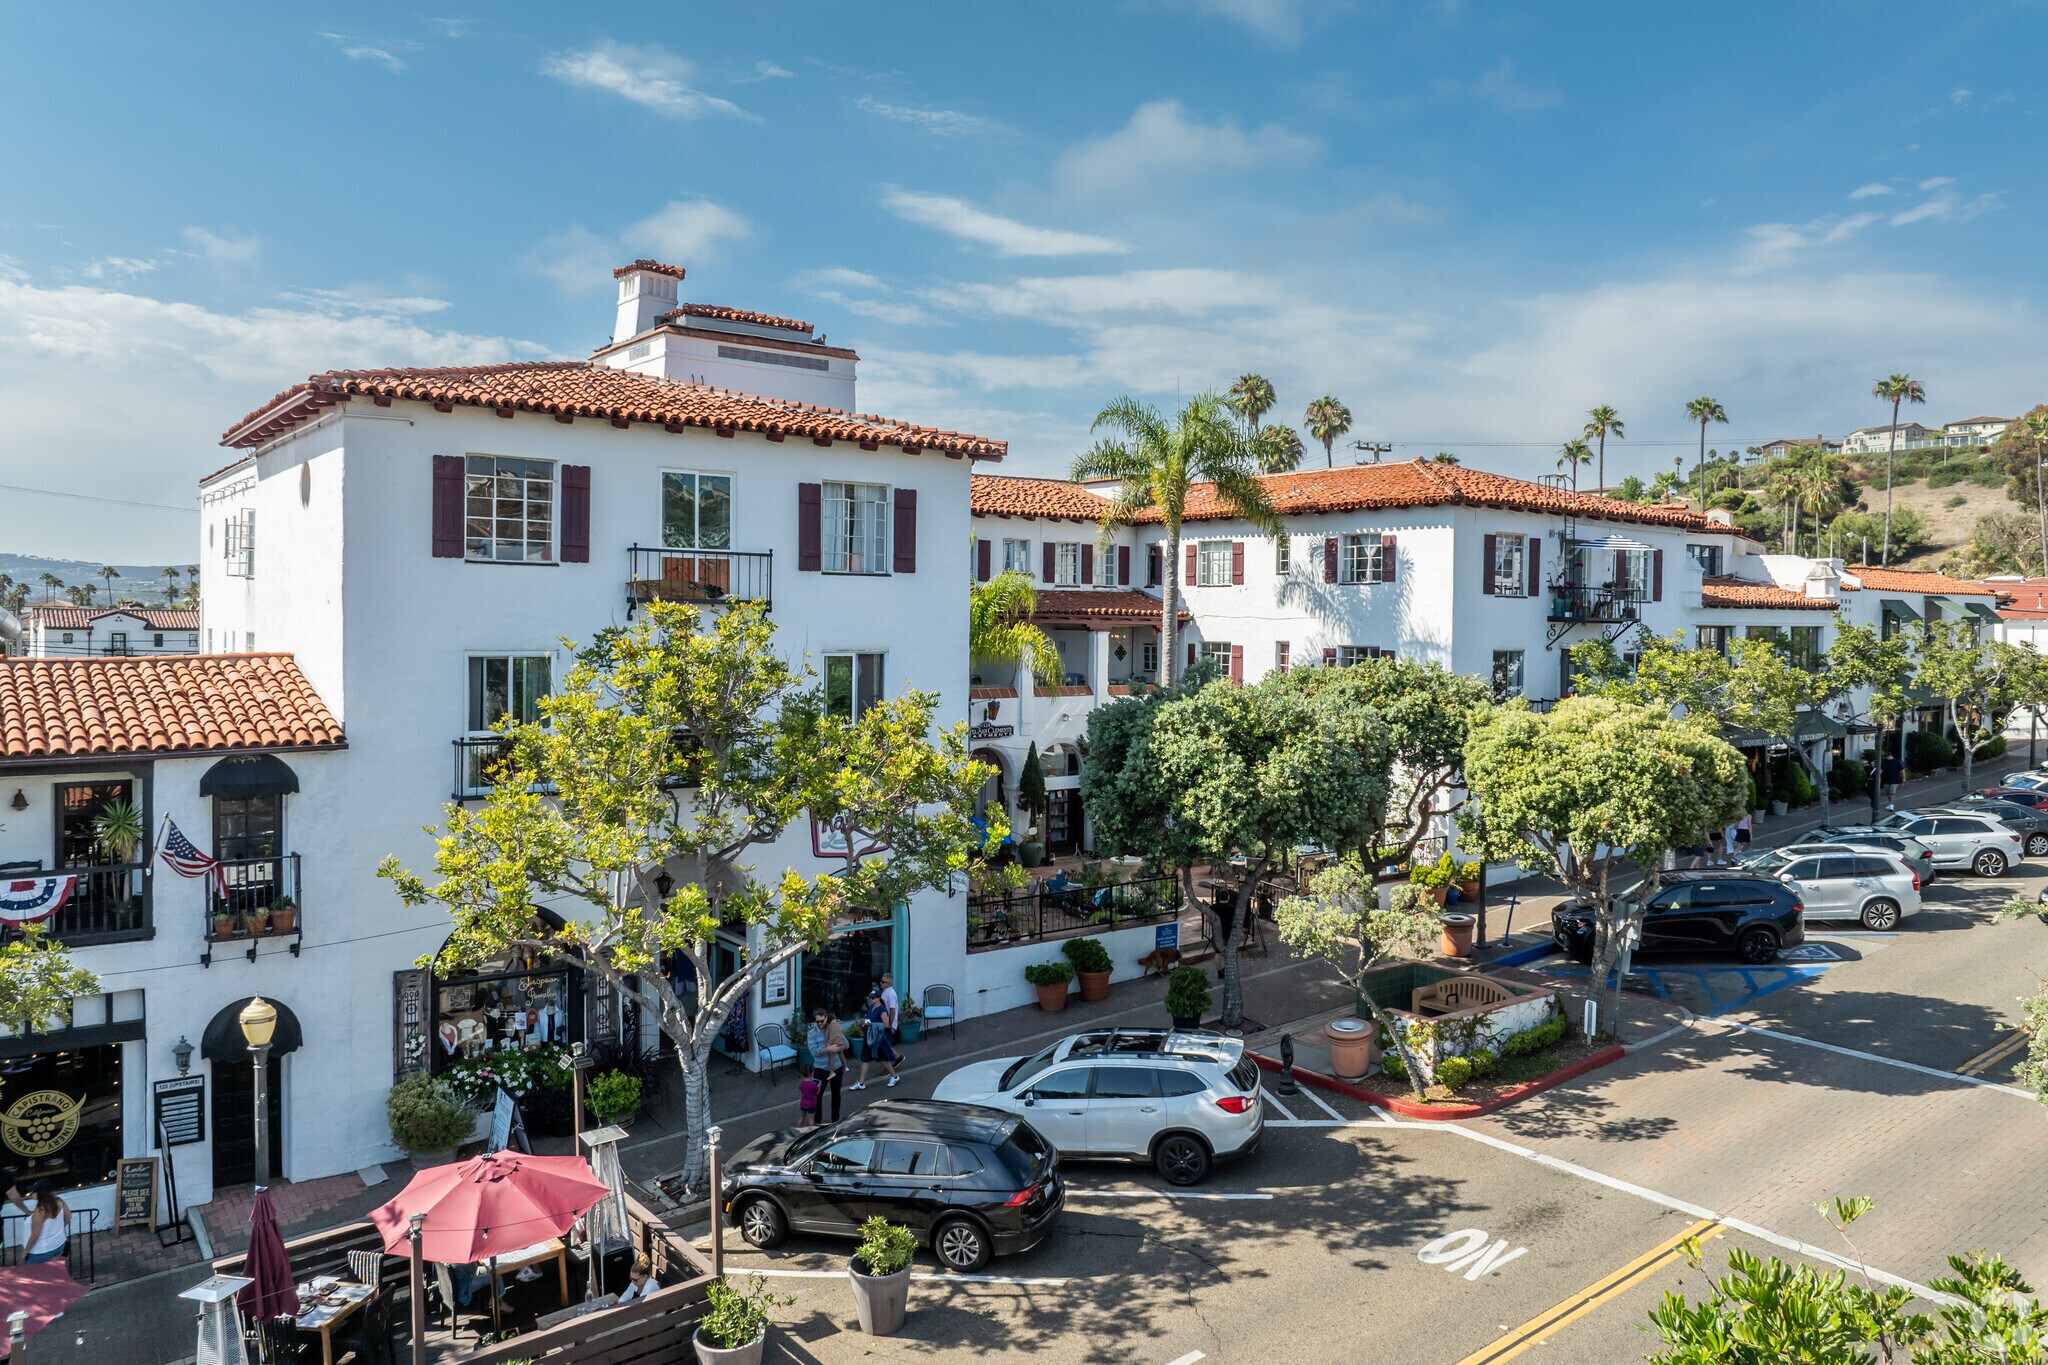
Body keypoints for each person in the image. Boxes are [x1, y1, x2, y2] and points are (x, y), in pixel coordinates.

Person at [850, 987, 899, 1090]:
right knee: (865, 1059)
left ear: (878, 998)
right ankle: (861, 1083)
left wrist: (872, 1024)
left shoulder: (882, 1010)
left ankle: (895, 1076)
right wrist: (864, 1024)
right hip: (869, 1037)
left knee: (882, 1059)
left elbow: (886, 1025)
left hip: (877, 1039)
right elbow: (868, 1019)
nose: (871, 999)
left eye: (873, 997)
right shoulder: (871, 1007)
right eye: (870, 997)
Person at [6, 1182, 66, 1264]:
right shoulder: (59, 1202)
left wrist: (25, 1251)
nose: (31, 1193)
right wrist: (56, 1231)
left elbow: (35, 1234)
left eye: (34, 1191)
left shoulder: (40, 1210)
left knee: (34, 1272)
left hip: (41, 1251)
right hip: (59, 1245)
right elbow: (68, 1216)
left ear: (40, 1194)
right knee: (53, 1270)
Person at [806, 1007, 848, 1122]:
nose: (820, 1023)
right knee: (817, 1096)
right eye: (817, 1021)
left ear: (826, 1018)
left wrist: (837, 1048)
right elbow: (813, 1052)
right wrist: (827, 1049)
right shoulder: (812, 1034)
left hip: (836, 1067)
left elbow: (846, 1044)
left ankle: (835, 1121)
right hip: (820, 1069)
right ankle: (818, 1124)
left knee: (836, 1095)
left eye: (822, 1021)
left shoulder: (833, 1028)